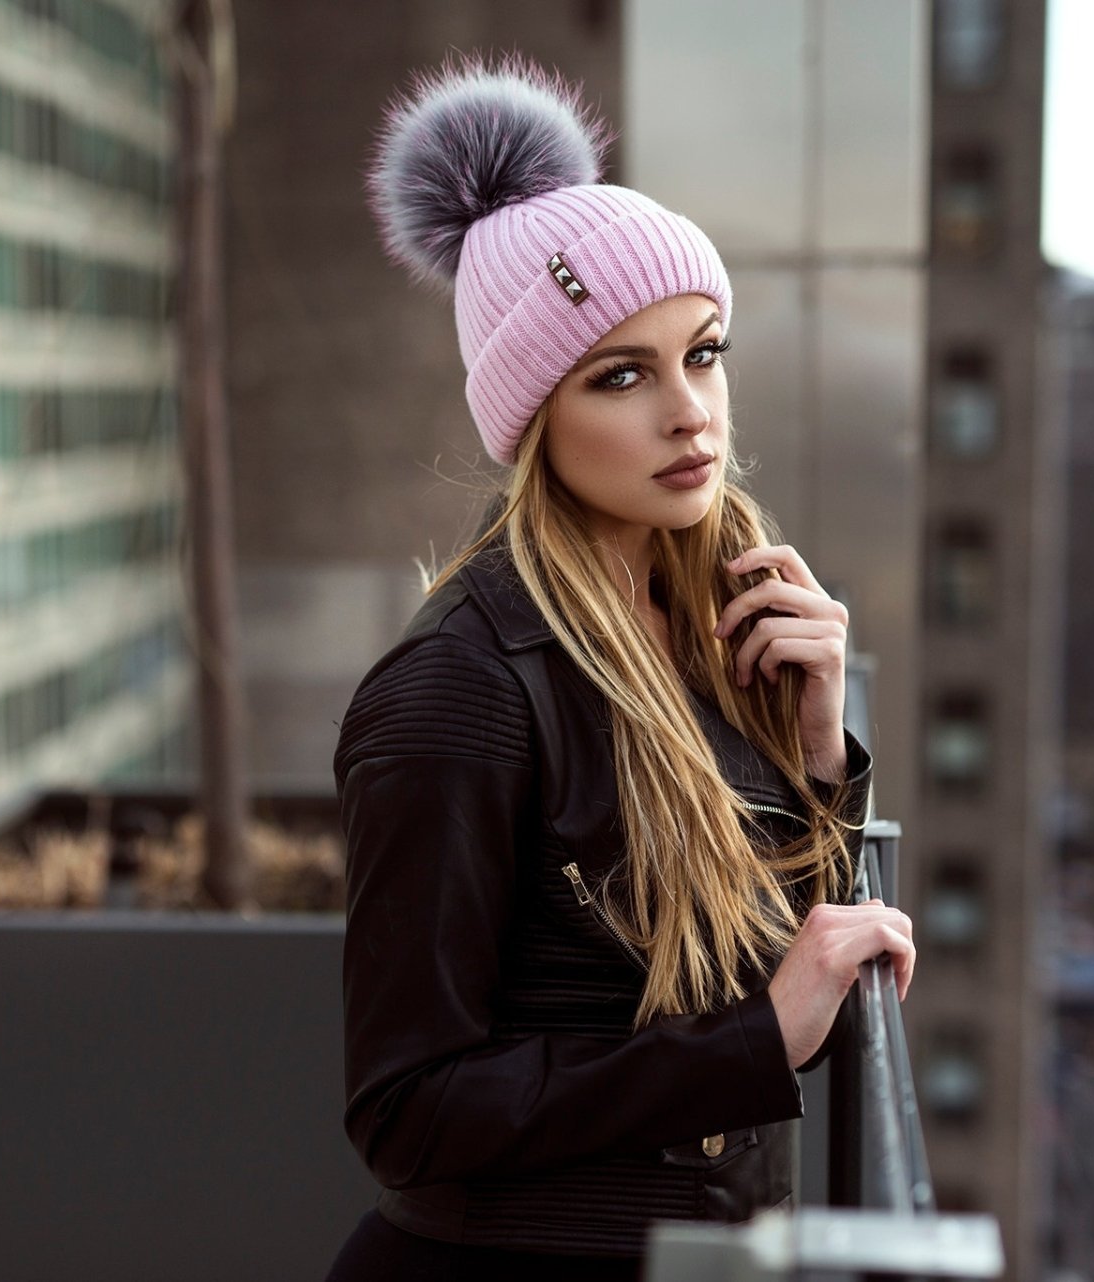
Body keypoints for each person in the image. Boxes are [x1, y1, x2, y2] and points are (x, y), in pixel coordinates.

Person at [323, 52, 918, 1280]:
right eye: (623, 375)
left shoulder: (700, 616)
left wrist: (815, 753)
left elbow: (750, 939)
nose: (691, 412)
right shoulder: (459, 688)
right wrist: (754, 1041)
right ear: (536, 417)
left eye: (704, 352)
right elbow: (407, 1111)